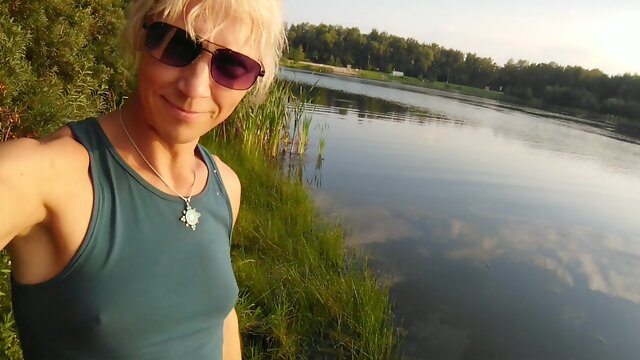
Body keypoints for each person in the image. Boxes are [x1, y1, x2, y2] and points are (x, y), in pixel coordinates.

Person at [0, 0, 286, 358]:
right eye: (177, 44)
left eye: (232, 67)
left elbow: (219, 320)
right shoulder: (47, 175)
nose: (195, 88)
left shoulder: (225, 186)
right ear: (141, 36)